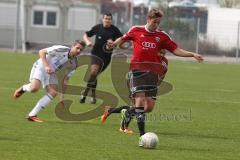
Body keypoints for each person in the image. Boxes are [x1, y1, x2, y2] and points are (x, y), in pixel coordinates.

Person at [102, 8, 204, 145]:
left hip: (152, 74)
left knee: (149, 107)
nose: (157, 25)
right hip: (137, 70)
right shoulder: (136, 30)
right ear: (149, 19)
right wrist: (114, 44)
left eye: (159, 22)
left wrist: (192, 54)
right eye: (155, 22)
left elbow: (176, 50)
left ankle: (121, 112)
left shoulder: (162, 36)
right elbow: (123, 38)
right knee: (139, 102)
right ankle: (142, 136)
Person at [13, 40, 86, 122]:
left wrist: (62, 97)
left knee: (54, 92)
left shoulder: (74, 64)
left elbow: (65, 79)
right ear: (72, 46)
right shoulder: (61, 49)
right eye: (77, 48)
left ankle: (32, 115)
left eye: (81, 50)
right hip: (41, 66)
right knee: (34, 88)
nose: (79, 51)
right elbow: (41, 52)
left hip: (52, 74)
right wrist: (46, 66)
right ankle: (23, 88)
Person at [79, 12, 123, 104]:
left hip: (106, 58)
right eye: (106, 19)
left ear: (111, 20)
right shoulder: (97, 28)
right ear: (103, 19)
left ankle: (89, 94)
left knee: (94, 76)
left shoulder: (114, 30)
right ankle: (86, 94)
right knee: (94, 72)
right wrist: (87, 42)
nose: (107, 20)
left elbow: (122, 39)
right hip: (95, 54)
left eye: (109, 19)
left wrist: (114, 43)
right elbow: (85, 34)